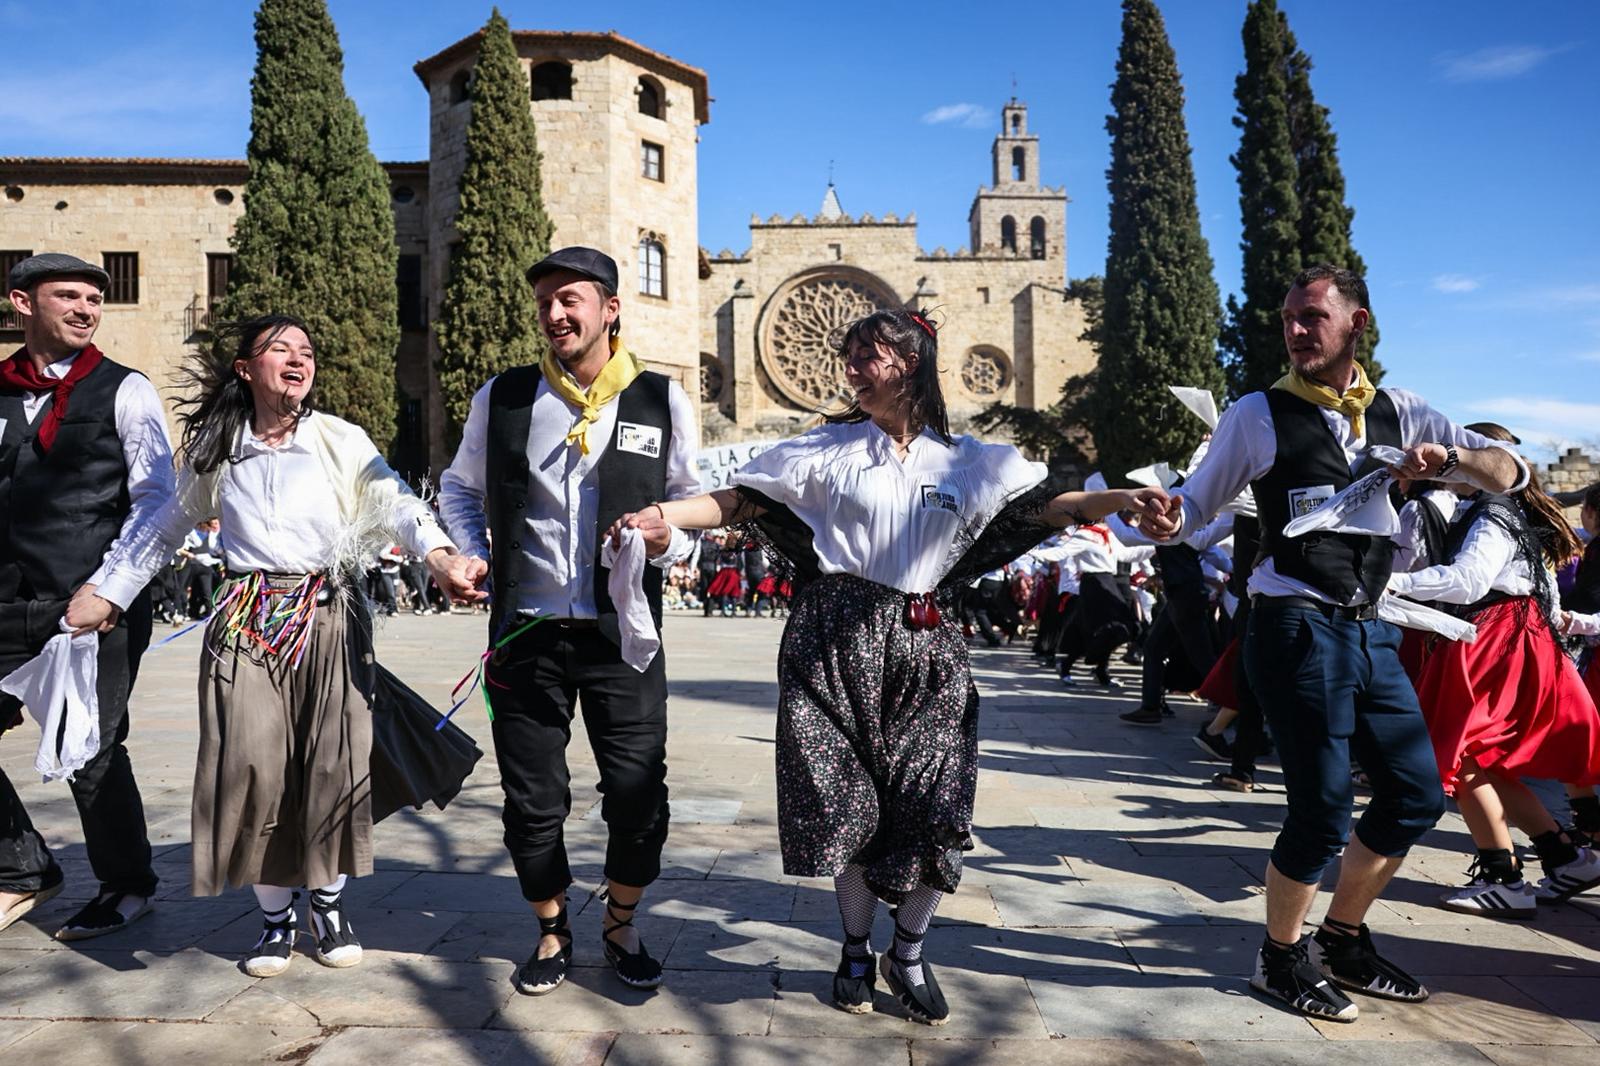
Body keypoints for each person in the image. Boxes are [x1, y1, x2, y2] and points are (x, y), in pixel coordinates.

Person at [613, 307, 1166, 1025]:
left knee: (936, 809)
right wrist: (666, 514)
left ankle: (907, 949)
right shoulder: (825, 450)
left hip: (926, 648)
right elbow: (743, 501)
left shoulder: (970, 460)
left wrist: (1120, 498)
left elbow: (1041, 508)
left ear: (909, 361)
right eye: (848, 354)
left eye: (864, 353)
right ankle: (853, 946)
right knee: (846, 804)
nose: (850, 366)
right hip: (831, 644)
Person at [1142, 265, 1527, 1022]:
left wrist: (1446, 461)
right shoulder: (1257, 413)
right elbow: (1195, 502)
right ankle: (1278, 959)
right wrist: (1167, 521)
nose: (1294, 329)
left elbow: (1510, 473)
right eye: (1287, 317)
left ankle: (1343, 937)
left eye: (1311, 316)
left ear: (1357, 323)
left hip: (1372, 624)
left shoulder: (1404, 410)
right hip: (1293, 624)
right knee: (1320, 810)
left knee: (1416, 793)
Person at [76, 313, 474, 977]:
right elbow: (163, 522)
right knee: (255, 768)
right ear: (246, 369)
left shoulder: (338, 437)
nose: (299, 359)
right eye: (280, 349)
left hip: (328, 616)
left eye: (307, 351)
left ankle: (328, 901)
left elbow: (394, 499)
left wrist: (437, 554)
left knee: (329, 767)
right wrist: (109, 591)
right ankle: (273, 918)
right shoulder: (219, 446)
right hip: (247, 622)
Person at [438, 246, 701, 997]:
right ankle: (552, 928)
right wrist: (469, 547)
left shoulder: (660, 399)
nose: (555, 314)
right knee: (532, 798)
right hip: (525, 635)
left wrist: (669, 537)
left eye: (571, 299)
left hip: (625, 635)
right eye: (546, 301)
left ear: (610, 309)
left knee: (636, 790)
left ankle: (621, 921)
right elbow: (457, 488)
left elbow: (693, 504)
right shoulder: (506, 397)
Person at [0, 253, 172, 941]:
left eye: (94, 298)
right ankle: (22, 867)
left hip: (92, 604)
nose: (85, 308)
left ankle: (127, 884)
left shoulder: (126, 390)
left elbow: (159, 502)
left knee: (91, 749)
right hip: (7, 598)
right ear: (21, 303)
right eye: (66, 295)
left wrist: (111, 589)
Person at [1387, 422, 1600, 916]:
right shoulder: (1498, 512)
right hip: (1511, 636)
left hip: (1494, 638)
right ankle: (1564, 855)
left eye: (1459, 458)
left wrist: (1390, 582)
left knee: (1460, 754)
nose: (1450, 464)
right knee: (1487, 760)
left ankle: (1504, 875)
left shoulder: (1492, 515)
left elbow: (1468, 580)